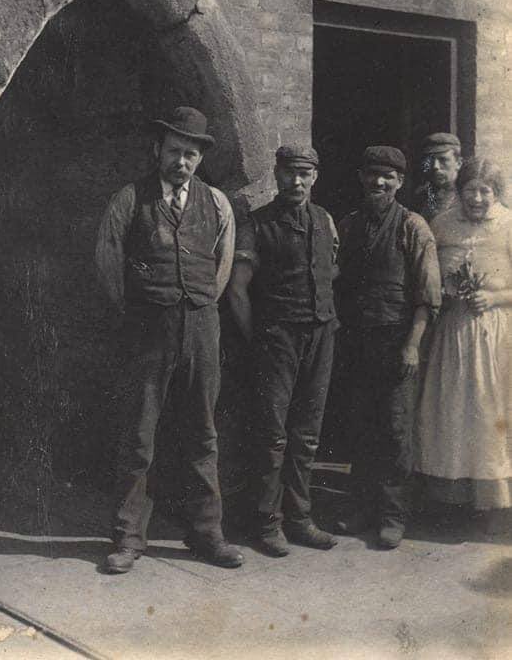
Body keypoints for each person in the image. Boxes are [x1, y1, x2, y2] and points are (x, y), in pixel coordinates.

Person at [95, 106, 243, 574]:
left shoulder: (216, 203)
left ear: (200, 159)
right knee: (139, 436)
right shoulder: (129, 199)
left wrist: (195, 305)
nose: (182, 162)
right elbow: (108, 263)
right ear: (158, 149)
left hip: (201, 327)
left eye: (191, 155)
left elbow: (222, 265)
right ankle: (127, 538)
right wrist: (144, 309)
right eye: (176, 151)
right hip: (147, 330)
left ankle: (207, 533)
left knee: (202, 433)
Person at [228, 145, 339, 556]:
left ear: (315, 177)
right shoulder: (258, 224)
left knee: (306, 434)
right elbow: (238, 290)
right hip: (277, 340)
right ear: (277, 173)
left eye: (305, 173)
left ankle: (300, 519)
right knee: (272, 435)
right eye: (290, 172)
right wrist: (258, 337)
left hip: (321, 335)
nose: (297, 181)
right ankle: (266, 522)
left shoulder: (325, 220)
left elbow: (331, 270)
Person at [336, 146, 441, 548]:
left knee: (395, 431)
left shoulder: (414, 227)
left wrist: (412, 346)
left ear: (399, 182)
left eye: (389, 177)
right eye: (373, 174)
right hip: (358, 342)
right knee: (360, 426)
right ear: (362, 177)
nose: (379, 182)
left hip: (397, 342)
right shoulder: (348, 225)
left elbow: (427, 297)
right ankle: (360, 508)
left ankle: (392, 516)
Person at [416, 157, 512, 515]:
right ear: (459, 192)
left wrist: (494, 297)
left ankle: (493, 499)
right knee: (454, 409)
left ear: (496, 193)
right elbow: (427, 273)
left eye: (485, 191)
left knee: (491, 409)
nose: (477, 198)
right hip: (454, 331)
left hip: (498, 331)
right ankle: (451, 497)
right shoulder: (442, 225)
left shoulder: (508, 225)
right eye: (470, 190)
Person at [413, 133, 463, 222]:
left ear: (458, 163)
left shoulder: (466, 195)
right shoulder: (421, 196)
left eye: (443, 160)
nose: (435, 166)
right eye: (430, 160)